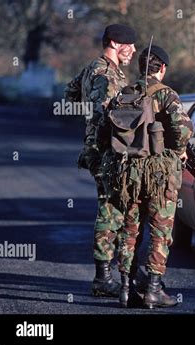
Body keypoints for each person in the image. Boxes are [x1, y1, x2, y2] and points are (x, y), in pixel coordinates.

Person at [105, 45, 193, 308]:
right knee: (160, 230)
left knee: (130, 230)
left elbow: (106, 131)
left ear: (139, 67)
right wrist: (177, 153)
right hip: (159, 174)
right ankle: (154, 290)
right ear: (162, 68)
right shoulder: (167, 95)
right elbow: (184, 131)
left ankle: (125, 289)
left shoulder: (124, 94)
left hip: (128, 174)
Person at [64, 24, 137, 297]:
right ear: (116, 44)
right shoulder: (104, 73)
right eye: (130, 45)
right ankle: (103, 278)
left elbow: (69, 94)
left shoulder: (93, 67)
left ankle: (114, 272)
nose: (134, 51)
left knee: (114, 207)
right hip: (107, 152)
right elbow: (107, 112)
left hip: (103, 149)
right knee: (110, 209)